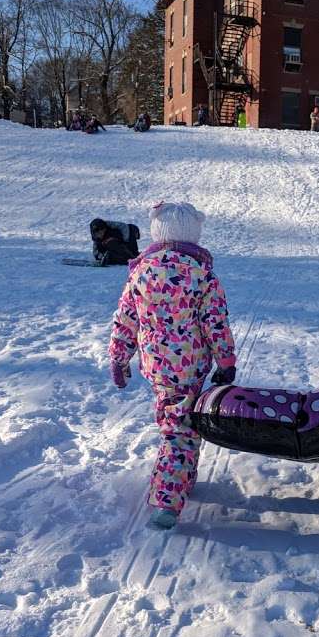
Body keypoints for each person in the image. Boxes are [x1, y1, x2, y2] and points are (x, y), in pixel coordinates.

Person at [108, 202, 237, 530]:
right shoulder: (200, 272)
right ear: (193, 234)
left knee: (175, 420)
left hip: (157, 366)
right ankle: (168, 498)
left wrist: (120, 357)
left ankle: (181, 478)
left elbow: (126, 319)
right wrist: (225, 360)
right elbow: (215, 322)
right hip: (190, 365)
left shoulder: (140, 270)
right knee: (180, 429)